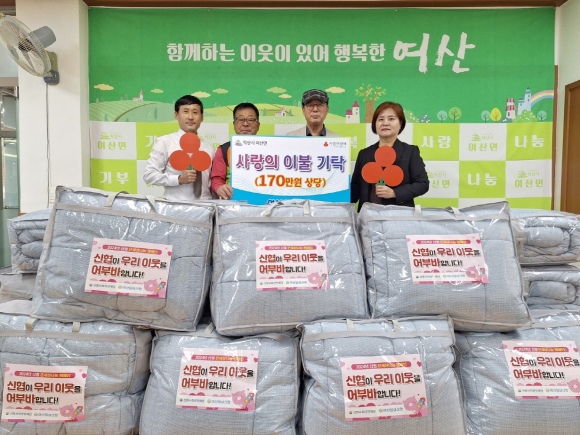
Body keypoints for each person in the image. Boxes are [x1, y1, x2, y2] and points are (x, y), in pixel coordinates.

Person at [351, 101, 429, 211]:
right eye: (380, 119)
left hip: (399, 216)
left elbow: (422, 184)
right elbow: (356, 187)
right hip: (367, 216)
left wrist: (395, 193)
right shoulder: (364, 154)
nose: (385, 123)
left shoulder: (410, 152)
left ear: (400, 123)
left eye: (391, 119)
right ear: (374, 124)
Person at [143, 95, 215, 202]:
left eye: (195, 112)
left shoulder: (208, 147)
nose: (190, 117)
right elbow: (149, 175)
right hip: (176, 206)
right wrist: (178, 179)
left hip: (206, 206)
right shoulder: (165, 142)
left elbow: (212, 180)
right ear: (176, 115)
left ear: (202, 117)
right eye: (185, 112)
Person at [211, 102, 260, 199]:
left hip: (263, 202)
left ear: (258, 125)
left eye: (250, 120)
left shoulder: (270, 149)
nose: (245, 124)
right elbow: (217, 178)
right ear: (234, 124)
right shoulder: (224, 149)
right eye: (241, 120)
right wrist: (219, 188)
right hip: (232, 202)